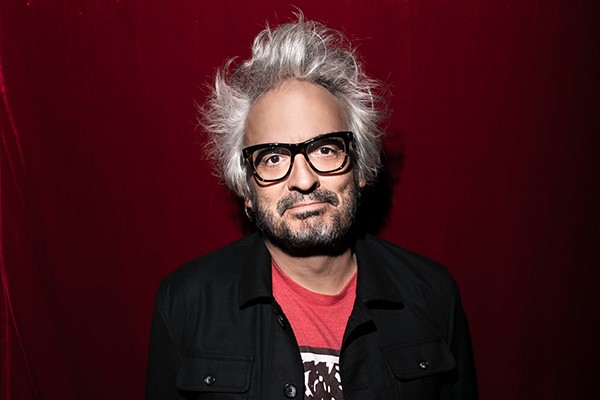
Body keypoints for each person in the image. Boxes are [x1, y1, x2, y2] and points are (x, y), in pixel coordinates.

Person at [146, 15, 478, 400]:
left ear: (360, 167)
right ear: (247, 188)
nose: (303, 181)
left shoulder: (433, 295)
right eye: (272, 158)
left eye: (325, 149)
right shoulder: (185, 302)